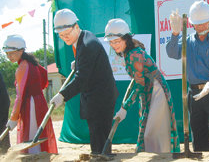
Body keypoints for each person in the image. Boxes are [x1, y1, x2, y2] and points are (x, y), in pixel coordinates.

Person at [50, 9, 118, 155]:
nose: (65, 38)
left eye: (67, 34)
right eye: (61, 36)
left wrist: (62, 95)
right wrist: (79, 62)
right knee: (98, 136)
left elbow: (81, 79)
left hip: (100, 97)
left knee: (99, 137)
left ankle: (100, 156)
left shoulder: (87, 45)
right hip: (98, 94)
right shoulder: (85, 36)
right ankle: (101, 155)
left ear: (76, 26)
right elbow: (88, 62)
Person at [105, 18, 180, 153]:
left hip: (156, 91)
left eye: (117, 41)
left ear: (126, 38)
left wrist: (125, 108)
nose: (114, 45)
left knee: (153, 131)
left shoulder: (134, 55)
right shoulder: (129, 52)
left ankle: (162, 157)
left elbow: (139, 85)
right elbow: (138, 80)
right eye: (111, 42)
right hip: (147, 91)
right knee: (148, 130)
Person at [166, 0, 209, 151]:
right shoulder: (187, 42)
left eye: (204, 23)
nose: (201, 27)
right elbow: (171, 52)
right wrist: (175, 34)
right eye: (197, 24)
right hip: (194, 93)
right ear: (191, 24)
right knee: (198, 130)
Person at [3, 35, 57, 154]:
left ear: (21, 50)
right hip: (39, 102)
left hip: (30, 105)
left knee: (31, 134)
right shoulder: (33, 63)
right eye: (7, 54)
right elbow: (44, 76)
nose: (9, 56)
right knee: (37, 132)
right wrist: (37, 91)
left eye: (11, 53)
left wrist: (13, 118)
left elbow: (20, 96)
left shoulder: (22, 67)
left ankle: (34, 157)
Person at [0, 71, 10, 153]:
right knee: (3, 128)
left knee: (2, 127)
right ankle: (5, 152)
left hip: (2, 102)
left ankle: (5, 152)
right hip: (4, 101)